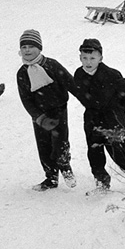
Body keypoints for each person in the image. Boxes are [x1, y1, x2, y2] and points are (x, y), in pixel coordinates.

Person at [70, 38, 125, 192]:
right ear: (80, 58)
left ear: (100, 58)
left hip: (113, 122)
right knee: (95, 155)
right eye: (84, 58)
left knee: (120, 156)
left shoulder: (111, 74)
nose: (88, 62)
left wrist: (121, 106)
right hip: (92, 120)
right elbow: (80, 93)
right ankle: (102, 182)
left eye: (92, 58)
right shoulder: (79, 74)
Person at [16, 29, 76, 192]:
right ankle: (51, 177)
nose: (27, 50)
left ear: (39, 48)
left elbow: (71, 83)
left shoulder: (52, 65)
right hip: (40, 116)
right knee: (44, 146)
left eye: (31, 46)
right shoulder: (22, 73)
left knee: (60, 144)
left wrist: (88, 99)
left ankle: (66, 169)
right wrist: (38, 117)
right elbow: (26, 99)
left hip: (58, 111)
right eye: (24, 47)